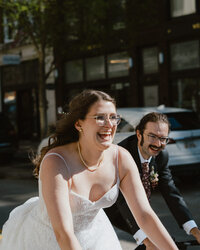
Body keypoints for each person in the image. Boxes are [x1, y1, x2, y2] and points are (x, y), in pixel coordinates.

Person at [0, 90, 178, 250]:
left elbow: (145, 215)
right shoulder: (56, 162)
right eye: (100, 117)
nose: (109, 124)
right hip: (50, 240)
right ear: (79, 124)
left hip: (96, 238)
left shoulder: (121, 158)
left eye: (113, 117)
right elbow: (63, 232)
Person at [105, 112, 200, 249]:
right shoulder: (122, 155)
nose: (157, 143)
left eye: (163, 138)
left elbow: (171, 192)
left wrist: (194, 230)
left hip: (141, 210)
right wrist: (146, 240)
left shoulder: (162, 156)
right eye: (152, 136)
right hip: (114, 211)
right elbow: (122, 201)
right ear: (139, 135)